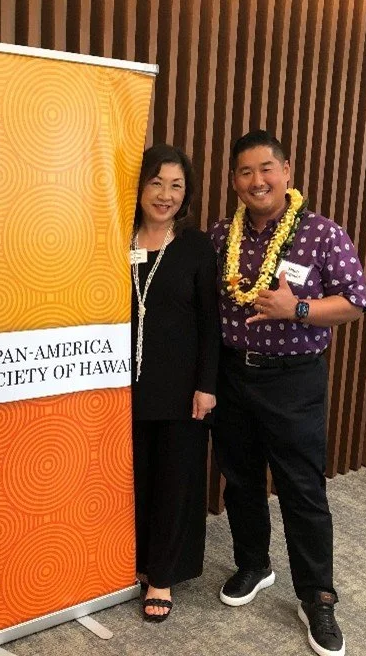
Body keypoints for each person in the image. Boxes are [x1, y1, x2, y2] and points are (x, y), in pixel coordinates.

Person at [209, 129, 366, 656]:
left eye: (266, 169)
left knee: (302, 488)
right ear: (234, 181)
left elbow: (354, 303)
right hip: (233, 375)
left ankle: (317, 596)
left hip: (294, 379)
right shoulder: (220, 236)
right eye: (245, 171)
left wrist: (296, 308)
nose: (257, 180)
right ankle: (254, 565)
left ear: (286, 172)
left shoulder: (321, 234)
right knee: (240, 479)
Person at [131, 144, 219, 622]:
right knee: (136, 480)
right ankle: (137, 562)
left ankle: (162, 575)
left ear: (187, 194)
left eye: (176, 186)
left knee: (173, 483)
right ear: (140, 186)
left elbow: (211, 324)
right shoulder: (117, 239)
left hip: (181, 389)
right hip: (123, 387)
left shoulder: (195, 246)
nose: (165, 194)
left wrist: (207, 385)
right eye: (156, 182)